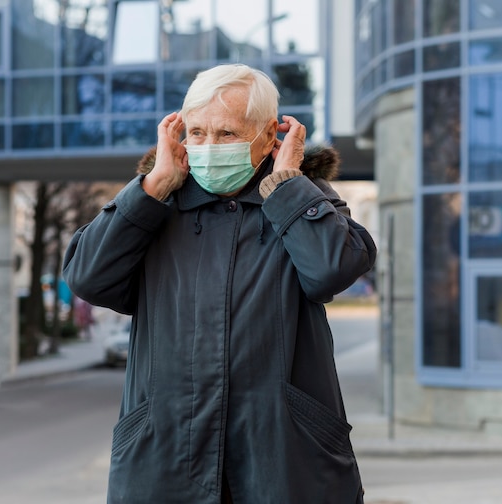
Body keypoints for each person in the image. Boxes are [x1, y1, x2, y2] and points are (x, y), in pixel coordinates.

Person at [63, 64, 376, 504]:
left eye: (226, 133)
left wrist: (286, 186)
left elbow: (333, 268)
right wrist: (150, 189)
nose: (208, 146)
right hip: (165, 462)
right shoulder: (157, 205)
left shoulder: (302, 198)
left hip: (285, 463)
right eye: (196, 132)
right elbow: (87, 277)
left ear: (269, 137)